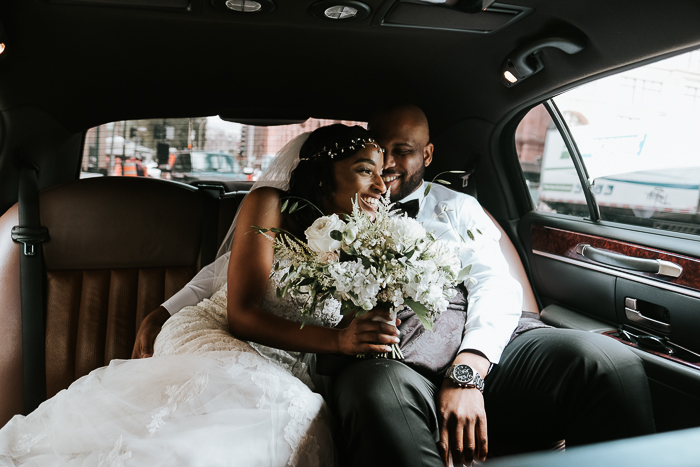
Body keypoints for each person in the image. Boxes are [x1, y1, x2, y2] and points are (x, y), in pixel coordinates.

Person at [134, 105, 656, 466]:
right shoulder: (317, 214)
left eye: (399, 152)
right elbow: (242, 274)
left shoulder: (457, 209)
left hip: (481, 345)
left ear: (427, 156)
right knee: (380, 398)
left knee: (607, 363)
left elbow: (497, 287)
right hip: (388, 360)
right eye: (372, 157)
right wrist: (165, 310)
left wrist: (469, 370)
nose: (385, 169)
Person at [0, 124, 399, 466]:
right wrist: (338, 340)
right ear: (323, 173)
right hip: (219, 332)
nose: (381, 186)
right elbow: (238, 310)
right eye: (366, 172)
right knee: (270, 410)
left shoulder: (368, 239)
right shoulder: (269, 205)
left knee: (292, 414)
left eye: (383, 175)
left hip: (285, 361)